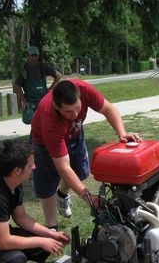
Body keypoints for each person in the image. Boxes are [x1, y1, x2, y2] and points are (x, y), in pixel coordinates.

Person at [31, 79, 141, 229]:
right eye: (68, 111)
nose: (75, 114)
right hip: (43, 143)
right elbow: (63, 167)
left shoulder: (83, 89)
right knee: (47, 185)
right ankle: (52, 227)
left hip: (74, 134)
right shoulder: (49, 118)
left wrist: (122, 134)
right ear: (57, 107)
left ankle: (62, 195)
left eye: (78, 108)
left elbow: (109, 109)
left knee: (79, 171)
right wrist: (87, 197)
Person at [15, 46, 62, 124]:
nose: (34, 58)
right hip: (30, 101)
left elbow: (58, 76)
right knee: (28, 119)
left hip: (43, 100)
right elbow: (17, 86)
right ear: (27, 56)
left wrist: (50, 89)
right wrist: (24, 101)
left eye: (36, 55)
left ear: (38, 56)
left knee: (49, 118)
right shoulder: (23, 69)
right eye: (32, 55)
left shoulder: (43, 67)